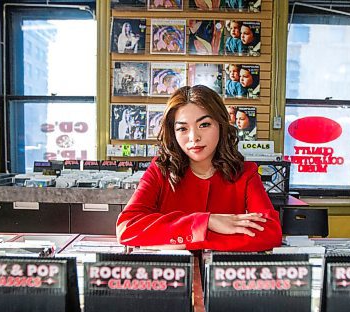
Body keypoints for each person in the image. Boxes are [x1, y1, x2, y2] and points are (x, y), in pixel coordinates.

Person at [116, 85, 282, 251]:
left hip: (224, 274)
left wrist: (177, 239)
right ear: (173, 133)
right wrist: (207, 222)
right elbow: (127, 228)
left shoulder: (245, 173)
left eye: (204, 124)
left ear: (221, 125)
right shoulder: (160, 170)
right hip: (171, 273)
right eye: (182, 128)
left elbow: (269, 233)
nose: (194, 137)